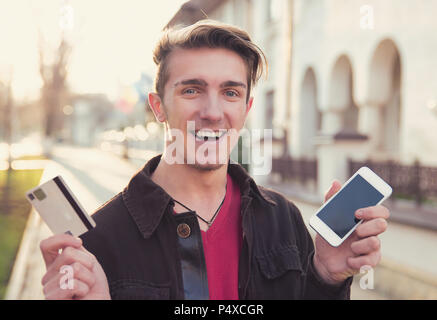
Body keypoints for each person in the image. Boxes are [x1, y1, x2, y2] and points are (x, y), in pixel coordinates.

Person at [39, 20, 390, 300]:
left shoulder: (283, 220)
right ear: (158, 106)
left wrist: (325, 278)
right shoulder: (99, 241)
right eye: (191, 90)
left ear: (247, 108)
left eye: (231, 93)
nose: (212, 112)